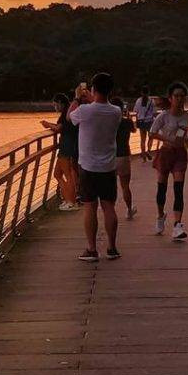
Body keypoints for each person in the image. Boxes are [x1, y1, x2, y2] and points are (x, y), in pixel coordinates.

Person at [69, 72, 123, 261]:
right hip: (108, 166)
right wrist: (91, 98)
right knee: (109, 207)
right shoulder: (116, 111)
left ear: (93, 89)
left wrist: (77, 98)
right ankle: (112, 248)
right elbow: (100, 106)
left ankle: (92, 249)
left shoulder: (84, 110)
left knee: (90, 208)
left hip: (88, 167)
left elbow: (69, 117)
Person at [150, 81, 188, 241]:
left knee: (178, 188)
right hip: (165, 153)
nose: (179, 99)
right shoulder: (163, 116)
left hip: (180, 155)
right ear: (170, 98)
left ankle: (177, 224)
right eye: (176, 96)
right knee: (162, 188)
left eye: (182, 96)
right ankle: (160, 216)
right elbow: (152, 133)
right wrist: (167, 138)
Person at [41, 94, 79, 211]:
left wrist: (47, 124)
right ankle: (68, 199)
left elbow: (58, 128)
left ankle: (71, 202)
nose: (54, 107)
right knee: (57, 174)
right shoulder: (69, 112)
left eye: (55, 104)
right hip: (69, 145)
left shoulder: (65, 114)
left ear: (60, 103)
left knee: (68, 175)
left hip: (66, 146)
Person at [112, 97, 138, 219]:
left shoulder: (108, 123)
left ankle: (110, 210)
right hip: (124, 155)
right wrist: (129, 117)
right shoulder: (127, 122)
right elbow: (134, 130)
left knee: (110, 186)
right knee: (125, 186)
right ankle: (129, 209)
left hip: (110, 156)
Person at [132, 87, 157, 161]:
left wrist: (137, 121)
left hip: (141, 122)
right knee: (151, 137)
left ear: (141, 93)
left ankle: (143, 156)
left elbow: (135, 111)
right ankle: (148, 151)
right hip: (149, 122)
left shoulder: (138, 101)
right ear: (149, 93)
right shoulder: (152, 101)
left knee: (142, 139)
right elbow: (154, 112)